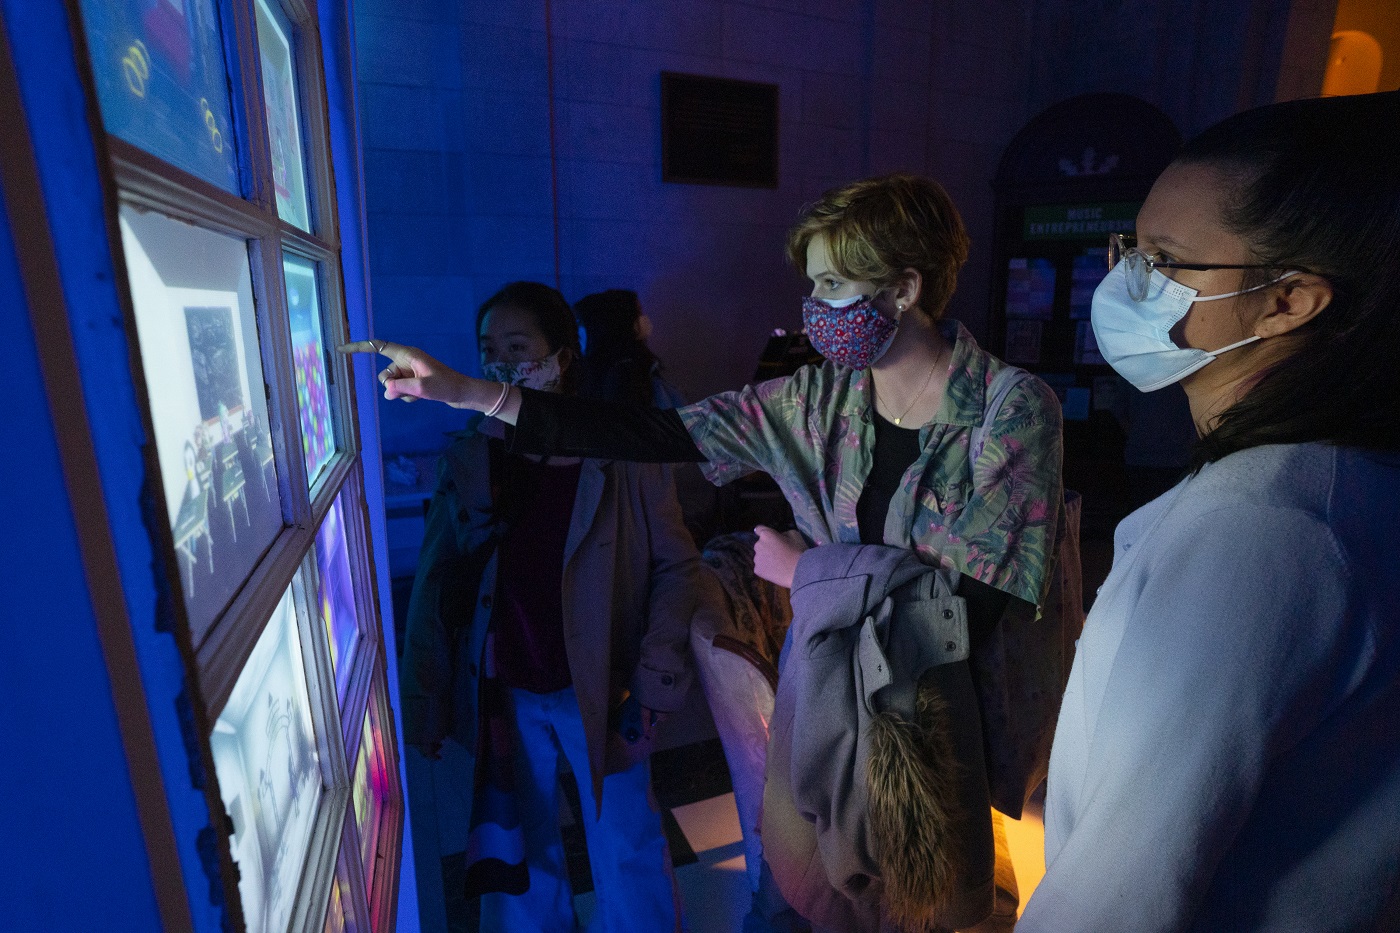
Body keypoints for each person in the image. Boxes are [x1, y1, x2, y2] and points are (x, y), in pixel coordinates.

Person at [348, 174, 1066, 932]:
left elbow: (971, 610)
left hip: (940, 731)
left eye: (832, 283)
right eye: (812, 283)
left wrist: (809, 574)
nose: (815, 306)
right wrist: (470, 393)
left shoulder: (1008, 408)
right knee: (791, 903)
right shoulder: (822, 398)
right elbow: (657, 435)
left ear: (903, 287)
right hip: (824, 709)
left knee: (924, 913)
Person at [1015, 90, 1400, 931]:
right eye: (1131, 249)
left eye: (1163, 260)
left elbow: (1116, 898)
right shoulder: (1342, 483)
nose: (1123, 283)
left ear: (1289, 299)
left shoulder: (1260, 534)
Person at [396, 281, 700, 933]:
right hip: (509, 686)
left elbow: (678, 566)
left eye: (518, 346)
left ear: (559, 357)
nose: (503, 362)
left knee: (627, 841)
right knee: (521, 848)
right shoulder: (475, 451)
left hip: (605, 684)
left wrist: (655, 677)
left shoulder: (622, 449)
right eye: (488, 349)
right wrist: (424, 696)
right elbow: (437, 579)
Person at [573, 288, 686, 408]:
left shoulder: (623, 369)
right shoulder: (624, 375)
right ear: (622, 322)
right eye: (639, 313)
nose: (644, 319)